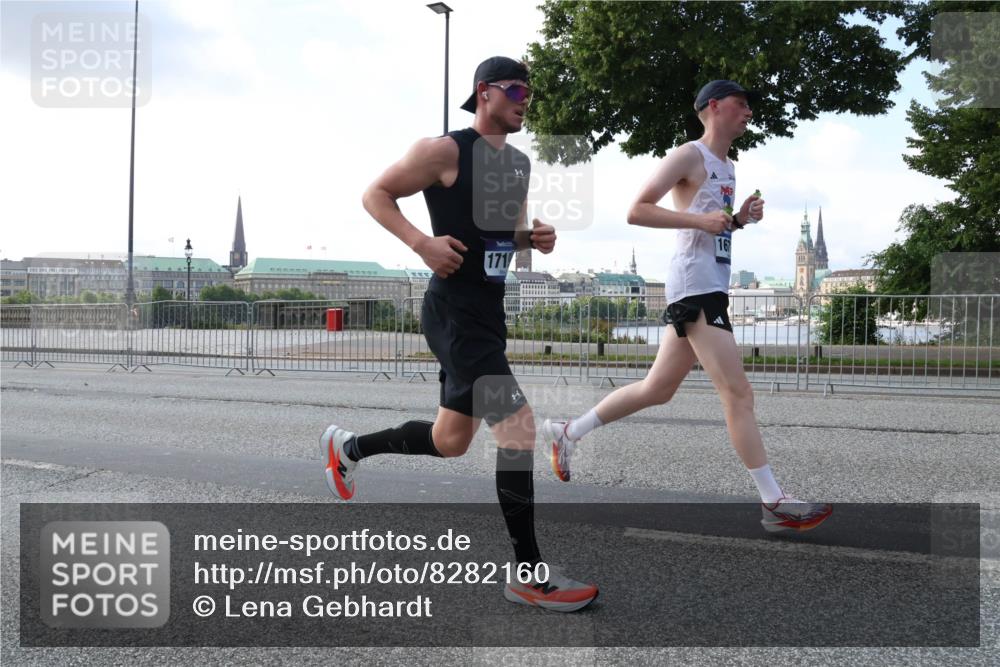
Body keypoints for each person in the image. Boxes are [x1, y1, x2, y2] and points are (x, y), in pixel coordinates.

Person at [320, 56, 598, 612]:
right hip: (452, 313)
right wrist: (422, 243)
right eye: (516, 89)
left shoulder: (516, 163)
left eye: (529, 92)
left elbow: (501, 235)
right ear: (484, 93)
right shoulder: (443, 151)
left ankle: (347, 448)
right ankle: (529, 573)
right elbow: (375, 195)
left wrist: (532, 237)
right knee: (517, 429)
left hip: (486, 315)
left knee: (451, 442)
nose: (525, 99)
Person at [543, 80, 832, 533]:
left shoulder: (729, 168)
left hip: (709, 284)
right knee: (738, 393)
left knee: (657, 388)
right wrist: (700, 218)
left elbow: (715, 228)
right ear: (713, 107)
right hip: (693, 286)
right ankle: (773, 502)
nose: (749, 113)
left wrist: (738, 220)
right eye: (742, 105)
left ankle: (568, 431)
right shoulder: (688, 155)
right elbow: (636, 210)